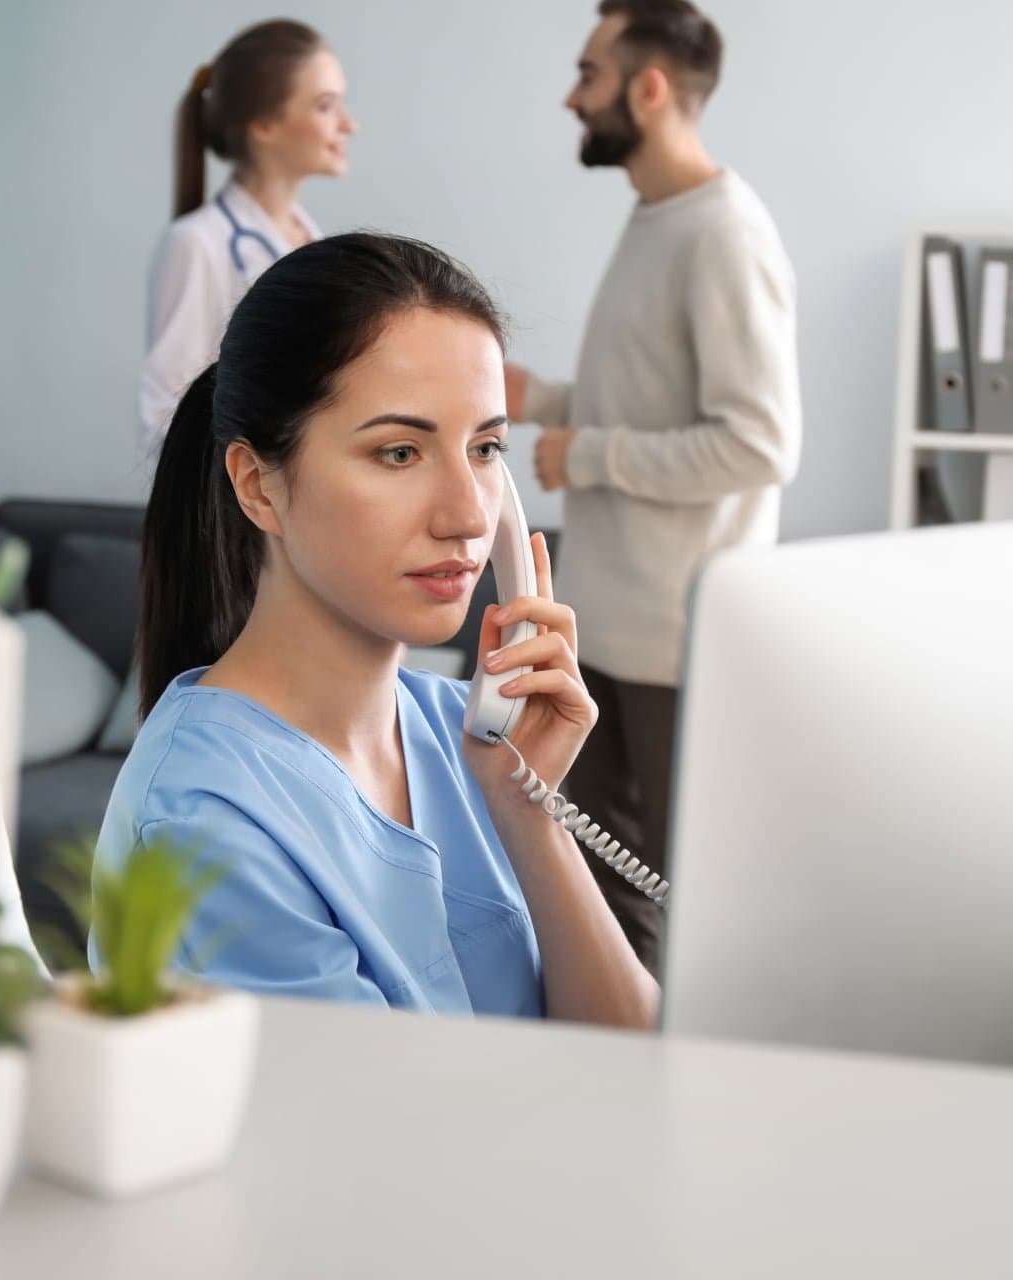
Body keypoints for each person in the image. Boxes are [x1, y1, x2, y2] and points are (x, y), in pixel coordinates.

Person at [95, 233, 658, 1029]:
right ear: (258, 487)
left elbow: (635, 1057)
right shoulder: (202, 824)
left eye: (485, 449)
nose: (470, 516)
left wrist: (530, 812)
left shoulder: (468, 737)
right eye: (399, 452)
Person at [504, 0, 802, 976]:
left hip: (673, 649)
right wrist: (544, 401)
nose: (569, 97)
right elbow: (654, 398)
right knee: (594, 895)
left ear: (649, 89)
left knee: (670, 911)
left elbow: (759, 443)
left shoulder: (724, 235)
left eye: (587, 74)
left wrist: (586, 453)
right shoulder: (657, 220)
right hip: (610, 634)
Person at [138, 19, 356, 451]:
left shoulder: (313, 242)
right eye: (325, 106)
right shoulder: (197, 244)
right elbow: (164, 421)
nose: (349, 125)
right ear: (264, 125)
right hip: (242, 488)